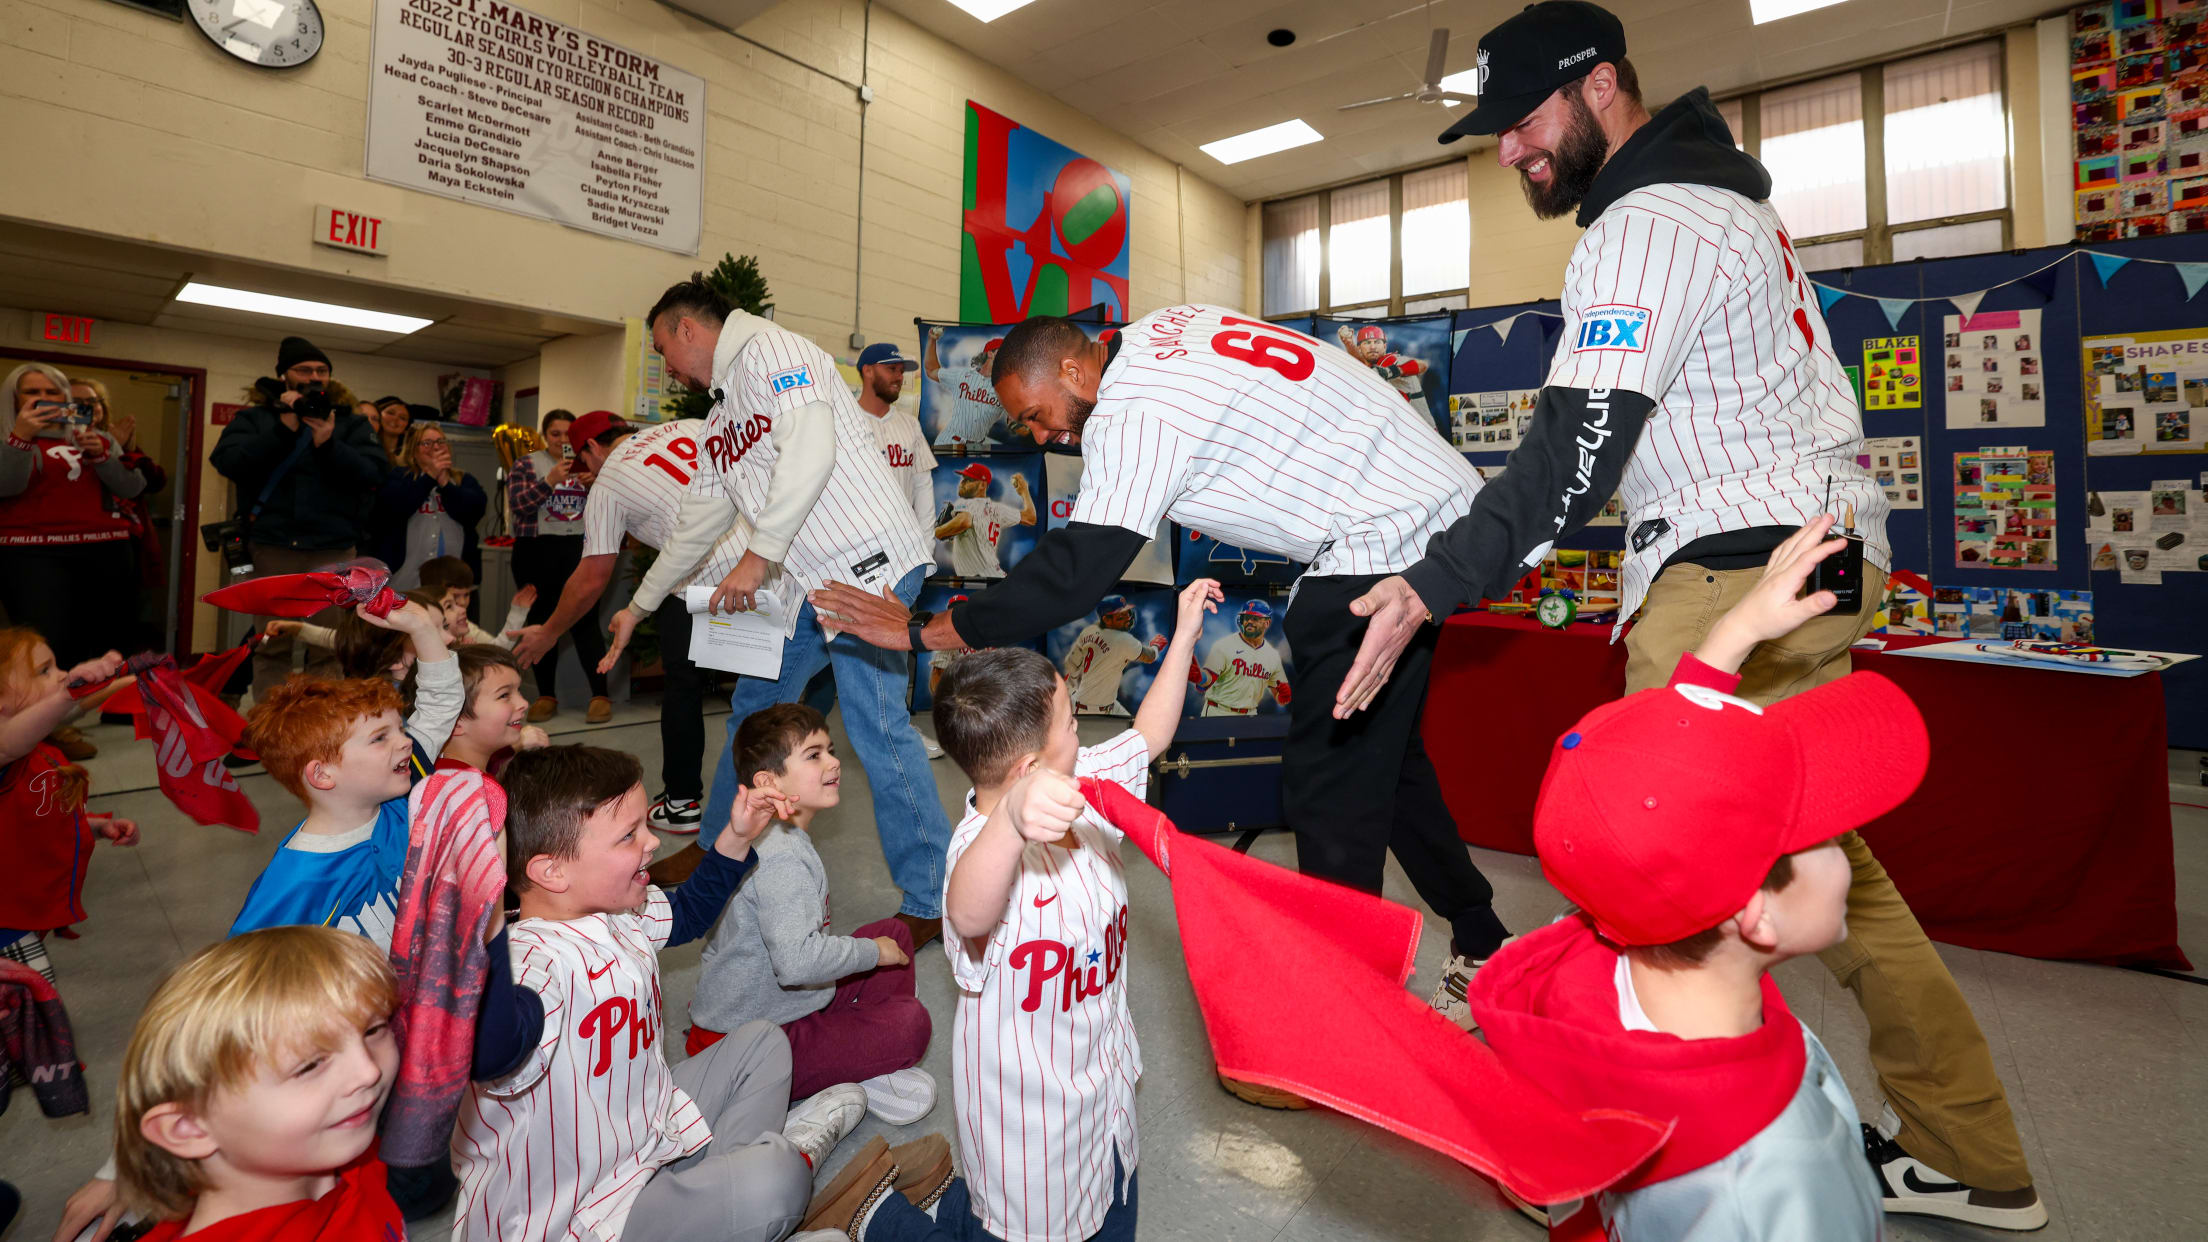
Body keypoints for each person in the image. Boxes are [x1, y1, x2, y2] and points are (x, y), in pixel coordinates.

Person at [1345, 2, 2044, 1225]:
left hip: (1737, 578)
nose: (1509, 151)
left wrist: (1432, 580)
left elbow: (1578, 442)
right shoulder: (1733, 208)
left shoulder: (1646, 220)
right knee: (1828, 866)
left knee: (1647, 855)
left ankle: (1610, 1138)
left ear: (1600, 85)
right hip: (1806, 557)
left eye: (1521, 121)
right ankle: (1970, 1149)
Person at [810, 308, 1512, 1076]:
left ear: (1076, 372)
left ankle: (1343, 1023)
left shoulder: (1132, 405)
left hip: (1387, 537)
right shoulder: (1161, 331)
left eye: (1035, 416)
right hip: (1429, 513)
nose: (1041, 437)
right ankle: (1484, 946)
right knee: (1390, 767)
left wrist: (921, 632)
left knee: (1329, 791)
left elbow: (1077, 571)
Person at [1474, 519, 1902, 1239]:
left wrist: (1734, 632)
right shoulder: (1778, 1180)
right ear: (1755, 916)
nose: (1848, 850)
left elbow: (1653, 792)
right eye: (1824, 834)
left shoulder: (1587, 969)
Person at [811, 580, 1218, 1242]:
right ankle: (874, 1216)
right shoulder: (979, 851)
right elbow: (967, 915)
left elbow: (1147, 736)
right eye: (1072, 723)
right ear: (1029, 767)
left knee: (1114, 1215)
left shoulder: (1079, 779)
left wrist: (1186, 637)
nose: (1082, 730)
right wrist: (1014, 824)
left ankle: (933, 1202)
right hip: (1029, 1137)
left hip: (1105, 1094)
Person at [603, 277, 950, 946]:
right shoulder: (723, 415)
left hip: (870, 564)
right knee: (754, 709)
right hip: (810, 586)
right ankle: (717, 850)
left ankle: (931, 898)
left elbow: (812, 451)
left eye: (662, 350)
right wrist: (638, 606)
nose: (666, 366)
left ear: (686, 329)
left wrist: (759, 555)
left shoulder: (771, 350)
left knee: (878, 728)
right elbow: (698, 523)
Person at [450, 743, 871, 1242]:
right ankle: (752, 1187)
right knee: (775, 1181)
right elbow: (492, 1050)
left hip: (646, 1131)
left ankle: (724, 1202)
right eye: (629, 836)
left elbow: (690, 913)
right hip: (581, 1212)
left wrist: (738, 835)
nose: (651, 843)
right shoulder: (530, 963)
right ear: (551, 872)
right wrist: (485, 911)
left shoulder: (614, 909)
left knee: (763, 1043)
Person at [686, 703, 935, 1118]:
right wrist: (871, 953)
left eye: (831, 750)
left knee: (896, 934)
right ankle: (851, 1066)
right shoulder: (781, 856)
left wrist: (877, 947)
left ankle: (855, 1058)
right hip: (747, 1052)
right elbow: (796, 964)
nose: (835, 762)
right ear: (769, 782)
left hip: (781, 1009)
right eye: (814, 755)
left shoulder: (779, 836)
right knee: (910, 1024)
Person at [506, 410, 731, 836]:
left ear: (591, 448)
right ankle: (773, 795)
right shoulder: (687, 425)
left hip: (695, 580)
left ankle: (683, 804)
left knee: (682, 687)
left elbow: (591, 579)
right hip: (763, 563)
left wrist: (550, 631)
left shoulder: (608, 484)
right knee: (764, 689)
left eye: (585, 461)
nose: (587, 472)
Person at [112, 925, 406, 1241]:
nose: (368, 1072)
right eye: (309, 1065)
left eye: (373, 1030)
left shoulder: (350, 1153)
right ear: (191, 1128)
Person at [228, 603, 459, 948]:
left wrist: (423, 628)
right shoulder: (296, 883)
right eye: (380, 737)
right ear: (322, 774)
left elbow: (440, 703)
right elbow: (243, 982)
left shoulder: (400, 801)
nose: (405, 742)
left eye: (400, 728)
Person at [208, 336, 390, 699]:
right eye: (304, 369)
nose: (314, 376)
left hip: (333, 549)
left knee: (328, 643)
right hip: (273, 548)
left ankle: (322, 727)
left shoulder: (350, 424)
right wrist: (284, 428)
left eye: (321, 370)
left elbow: (374, 475)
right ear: (284, 375)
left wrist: (329, 443)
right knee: (272, 642)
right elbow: (228, 462)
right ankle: (273, 727)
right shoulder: (256, 419)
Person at [0, 363, 151, 682]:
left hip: (106, 550)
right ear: (14, 398)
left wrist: (104, 454)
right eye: (32, 392)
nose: (44, 398)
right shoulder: (5, 437)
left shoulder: (98, 436)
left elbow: (133, 487)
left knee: (109, 638)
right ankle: (49, 717)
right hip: (32, 555)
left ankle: (107, 704)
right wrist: (21, 438)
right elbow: (7, 485)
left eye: (52, 392)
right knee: (46, 643)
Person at [0, 631, 136, 982]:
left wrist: (89, 826)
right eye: (44, 671)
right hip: (6, 922)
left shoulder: (36, 752)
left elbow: (29, 818)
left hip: (21, 911)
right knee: (33, 1003)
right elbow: (10, 741)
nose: (59, 675)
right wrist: (66, 693)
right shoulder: (8, 749)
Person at [505, 408, 613, 723]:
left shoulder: (591, 463)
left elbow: (613, 508)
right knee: (540, 620)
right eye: (555, 434)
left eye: (568, 434)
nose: (562, 440)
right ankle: (547, 695)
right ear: (544, 435)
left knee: (585, 621)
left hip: (578, 549)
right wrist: (549, 481)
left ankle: (599, 695)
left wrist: (596, 484)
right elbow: (519, 506)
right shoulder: (527, 463)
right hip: (536, 550)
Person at [73, 377, 169, 653]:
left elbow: (150, 482)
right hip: (71, 542)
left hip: (121, 544)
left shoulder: (114, 441)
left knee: (115, 623)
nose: (89, 408)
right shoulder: (52, 441)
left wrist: (120, 449)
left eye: (94, 402)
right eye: (78, 403)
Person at [371, 422, 487, 591]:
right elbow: (395, 508)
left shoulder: (464, 480)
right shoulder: (398, 477)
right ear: (413, 450)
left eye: (440, 442)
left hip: (456, 583)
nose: (435, 448)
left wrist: (446, 484)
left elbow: (473, 513)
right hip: (405, 580)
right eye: (427, 443)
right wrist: (430, 476)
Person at [424, 643, 544, 775]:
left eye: (518, 690)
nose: (524, 703)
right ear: (455, 722)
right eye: (504, 695)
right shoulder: (468, 792)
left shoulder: (452, 773)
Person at [855, 343, 936, 536]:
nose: (899, 377)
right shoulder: (841, 422)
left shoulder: (911, 425)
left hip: (902, 543)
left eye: (901, 371)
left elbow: (923, 488)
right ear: (868, 371)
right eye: (891, 369)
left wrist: (926, 545)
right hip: (855, 544)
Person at [1061, 595, 1164, 716]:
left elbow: (1072, 663)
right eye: (1121, 615)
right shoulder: (1122, 639)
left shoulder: (1089, 631)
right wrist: (1156, 646)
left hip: (1103, 703)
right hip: (1090, 709)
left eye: (1127, 612)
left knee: (1134, 728)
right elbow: (1150, 656)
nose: (1127, 618)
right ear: (1107, 620)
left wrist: (1070, 689)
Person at [934, 463, 1034, 578]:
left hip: (981, 579)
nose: (962, 483)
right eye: (963, 479)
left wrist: (937, 531)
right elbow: (1030, 518)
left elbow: (964, 521)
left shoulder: (965, 503)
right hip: (996, 576)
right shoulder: (998, 509)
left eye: (968, 480)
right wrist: (1024, 492)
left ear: (982, 485)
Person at [1197, 599, 1289, 717]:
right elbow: (1207, 680)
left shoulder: (1273, 657)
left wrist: (1283, 696)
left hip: (1251, 716)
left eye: (1255, 619)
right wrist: (1201, 678)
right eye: (1246, 618)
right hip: (1220, 713)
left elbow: (1282, 698)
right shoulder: (1224, 646)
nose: (1250, 622)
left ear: (1266, 624)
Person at [923, 327, 1005, 452]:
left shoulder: (1005, 388)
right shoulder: (963, 375)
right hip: (949, 442)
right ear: (990, 353)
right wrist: (931, 341)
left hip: (977, 447)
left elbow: (1014, 419)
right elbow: (931, 370)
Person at [1337, 322, 1427, 402]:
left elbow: (1422, 365)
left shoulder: (1390, 359)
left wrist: (1391, 371)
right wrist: (1349, 343)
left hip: (1416, 418)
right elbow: (1362, 362)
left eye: (1377, 342)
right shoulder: (1371, 365)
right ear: (1360, 348)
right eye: (1367, 343)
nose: (1372, 347)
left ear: (1384, 346)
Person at [371, 396, 412, 461]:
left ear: (406, 428)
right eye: (390, 413)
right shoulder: (365, 449)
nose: (395, 418)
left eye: (402, 418)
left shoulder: (409, 458)